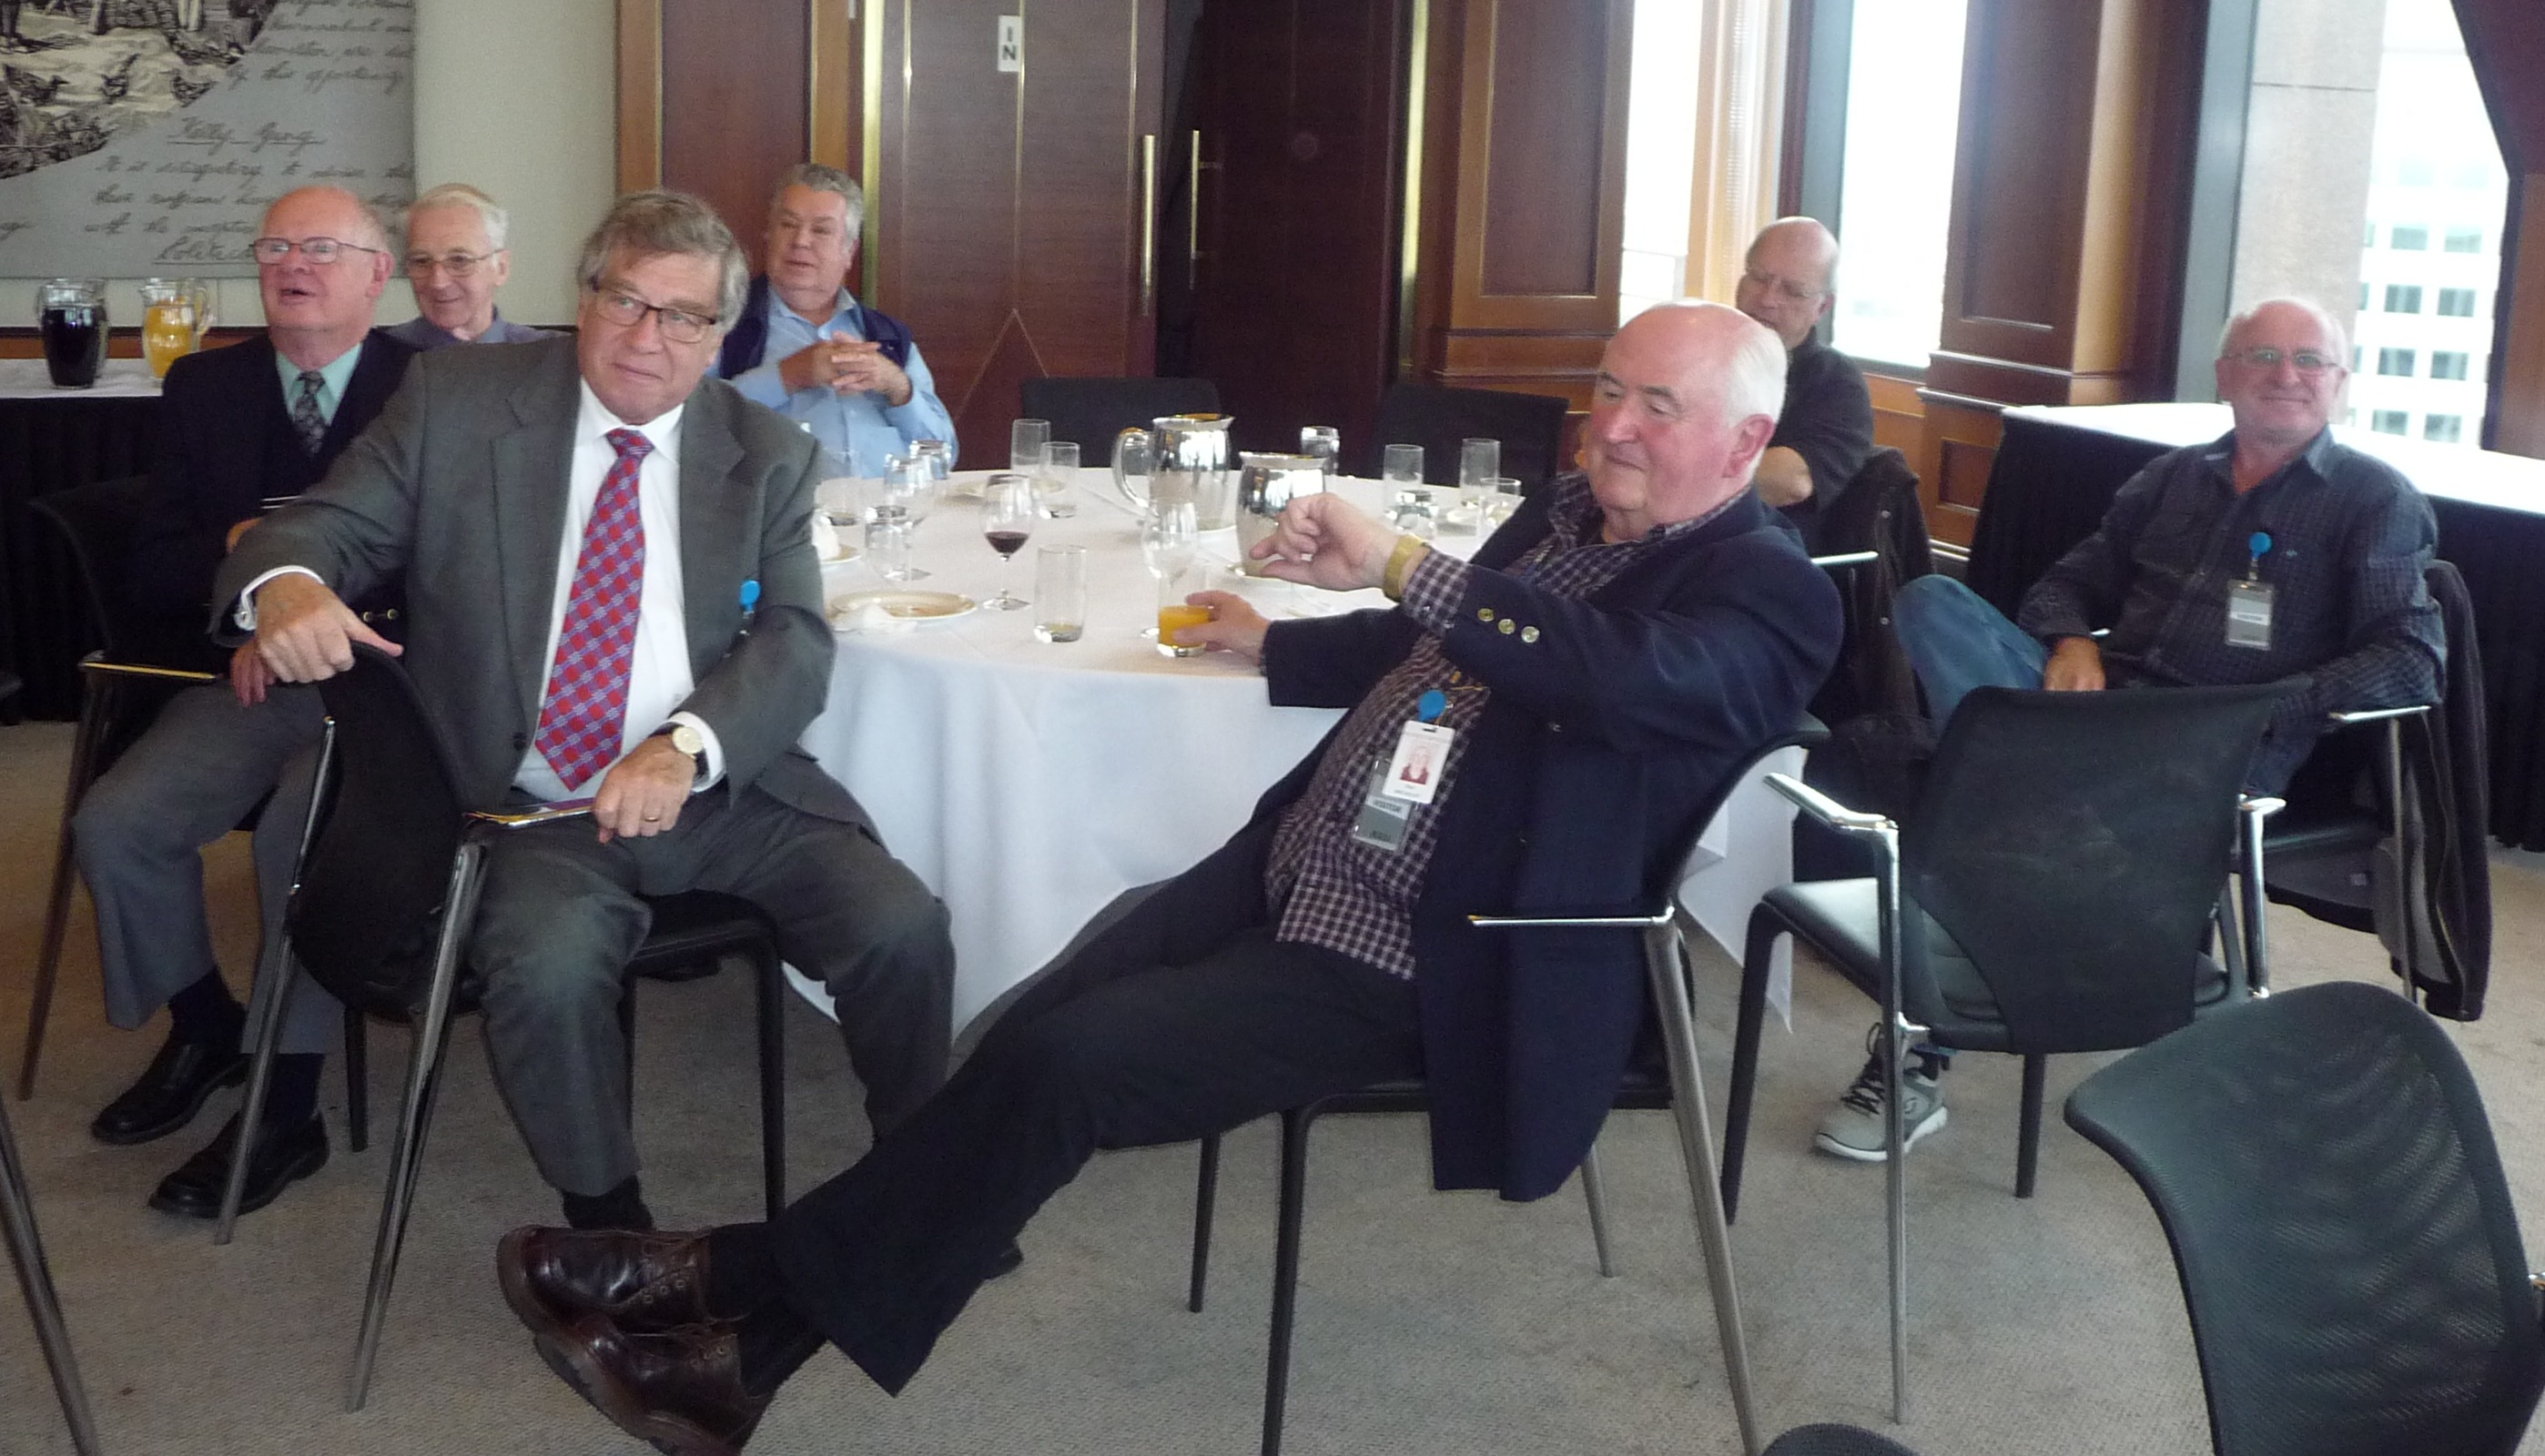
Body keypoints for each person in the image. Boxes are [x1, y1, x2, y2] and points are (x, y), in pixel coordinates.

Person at [489, 300, 1843, 1456]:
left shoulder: (1765, 593)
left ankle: (722, 1284)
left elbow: (1606, 677)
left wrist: (1405, 561)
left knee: (1067, 1068)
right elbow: (1439, 653)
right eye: (1608, 388)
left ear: (1744, 443)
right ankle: (734, 1354)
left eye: (1657, 407)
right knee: (1026, 1025)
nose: (1613, 426)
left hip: (1434, 951)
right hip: (1303, 863)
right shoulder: (1562, 516)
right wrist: (1280, 644)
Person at [215, 190, 957, 1233]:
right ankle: (609, 1224)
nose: (648, 338)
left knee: (903, 926)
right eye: (626, 301)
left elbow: (796, 640)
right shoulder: (458, 404)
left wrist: (686, 745)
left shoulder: (766, 454)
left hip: (718, 788)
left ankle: (923, 1172)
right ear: (584, 297)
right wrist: (287, 584)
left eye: (684, 317)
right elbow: (319, 529)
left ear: (717, 337)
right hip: (534, 804)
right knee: (549, 969)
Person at [1810, 295, 2444, 1164]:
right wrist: (2072, 641)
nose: (2286, 376)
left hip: (2215, 750)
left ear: (2339, 382)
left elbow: (2411, 660)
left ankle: (1922, 1051)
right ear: (2226, 375)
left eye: (2309, 360)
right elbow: (2062, 586)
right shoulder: (2171, 479)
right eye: (2263, 356)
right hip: (2097, 716)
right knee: (1932, 602)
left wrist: (2264, 707)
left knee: (1988, 818)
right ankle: (2034, 782)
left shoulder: (2374, 500)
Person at [71, 185, 415, 1218]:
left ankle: (286, 1100)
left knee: (293, 840)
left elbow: (457, 565)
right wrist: (255, 591)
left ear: (376, 274)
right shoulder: (204, 387)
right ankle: (207, 1025)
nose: (291, 264)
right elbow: (156, 566)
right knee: (116, 824)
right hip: (252, 672)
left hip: (391, 684)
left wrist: (305, 593)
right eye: (274, 247)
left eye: (320, 247)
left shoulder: (433, 385)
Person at [715, 163, 956, 476]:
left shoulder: (888, 336)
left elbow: (943, 456)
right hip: (781, 507)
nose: (801, 241)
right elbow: (692, 427)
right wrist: (787, 376)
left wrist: (897, 387)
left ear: (849, 251)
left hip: (889, 504)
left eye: (821, 230)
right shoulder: (723, 322)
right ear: (769, 235)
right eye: (788, 225)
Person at [1733, 217, 1874, 551]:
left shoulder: (1837, 382)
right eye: (1759, 278)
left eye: (1793, 291)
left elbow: (1789, 481)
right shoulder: (1695, 351)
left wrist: (1669, 476)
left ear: (1822, 306)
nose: (1768, 299)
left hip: (1761, 553)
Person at [387, 182, 556, 349]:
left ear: (501, 268)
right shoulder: (381, 355)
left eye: (459, 260)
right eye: (421, 261)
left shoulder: (550, 354)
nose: (438, 282)